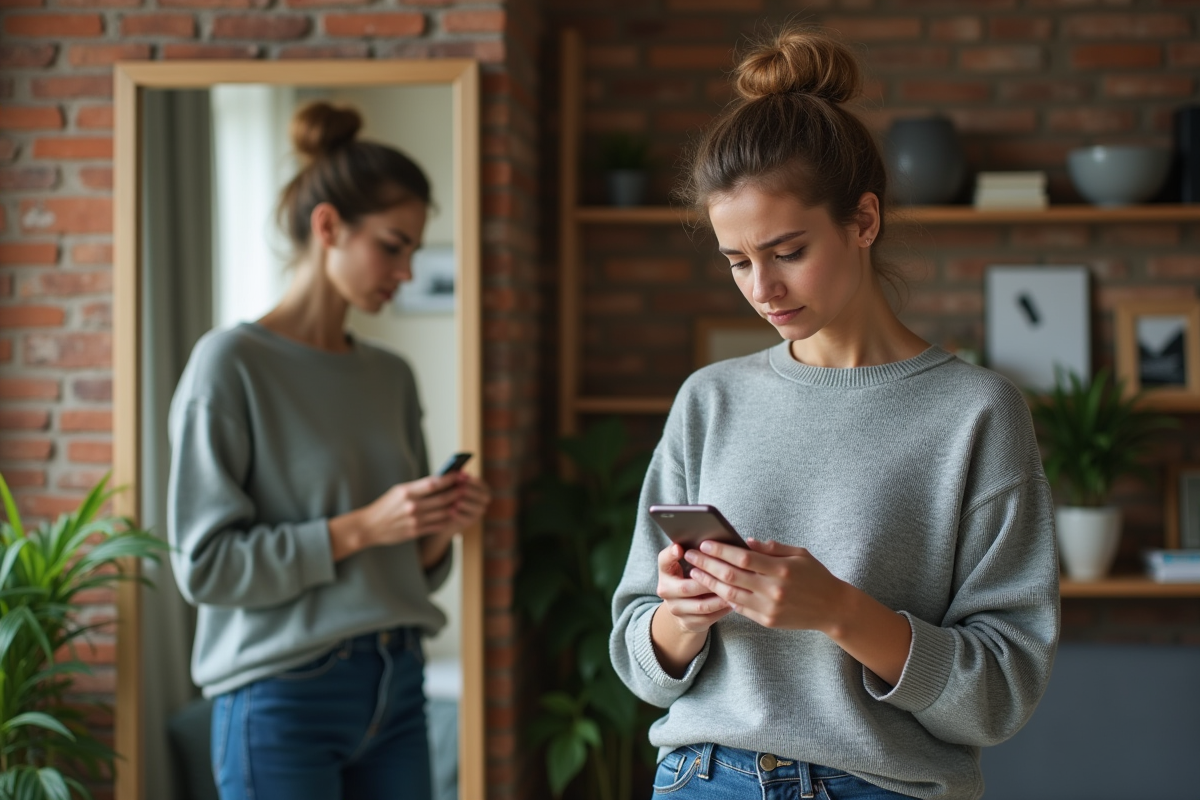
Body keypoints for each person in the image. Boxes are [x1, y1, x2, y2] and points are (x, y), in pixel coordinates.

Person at [609, 28, 1059, 800]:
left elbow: (1003, 690)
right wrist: (679, 621)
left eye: (787, 251)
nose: (761, 288)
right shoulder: (708, 400)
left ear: (863, 221)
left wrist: (840, 613)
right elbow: (639, 660)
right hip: (702, 777)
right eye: (737, 261)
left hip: (879, 785)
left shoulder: (977, 413)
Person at [167, 101, 490, 800]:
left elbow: (409, 570)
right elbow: (206, 568)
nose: (405, 271)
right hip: (281, 694)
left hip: (399, 684)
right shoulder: (229, 364)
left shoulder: (388, 375)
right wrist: (366, 526)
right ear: (328, 227)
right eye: (392, 245)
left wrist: (437, 526)